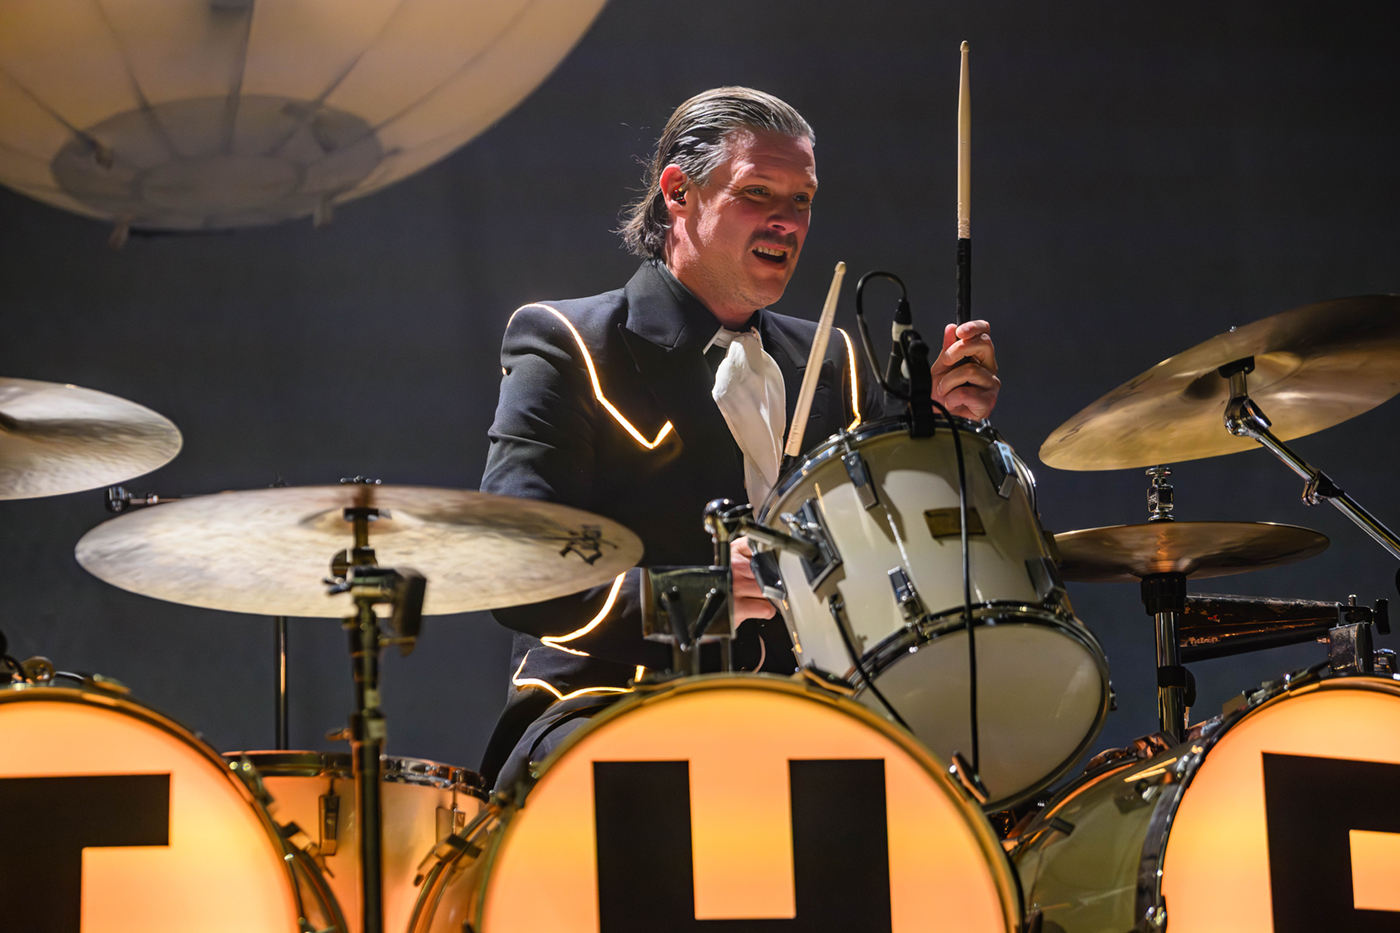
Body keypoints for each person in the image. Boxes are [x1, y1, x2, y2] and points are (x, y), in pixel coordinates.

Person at [478, 87, 999, 789]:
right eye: (758, 192)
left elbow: (901, 547)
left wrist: (941, 423)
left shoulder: (836, 362)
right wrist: (701, 595)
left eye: (802, 200)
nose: (787, 221)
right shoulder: (570, 342)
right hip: (610, 711)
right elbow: (514, 569)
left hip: (802, 717)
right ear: (678, 193)